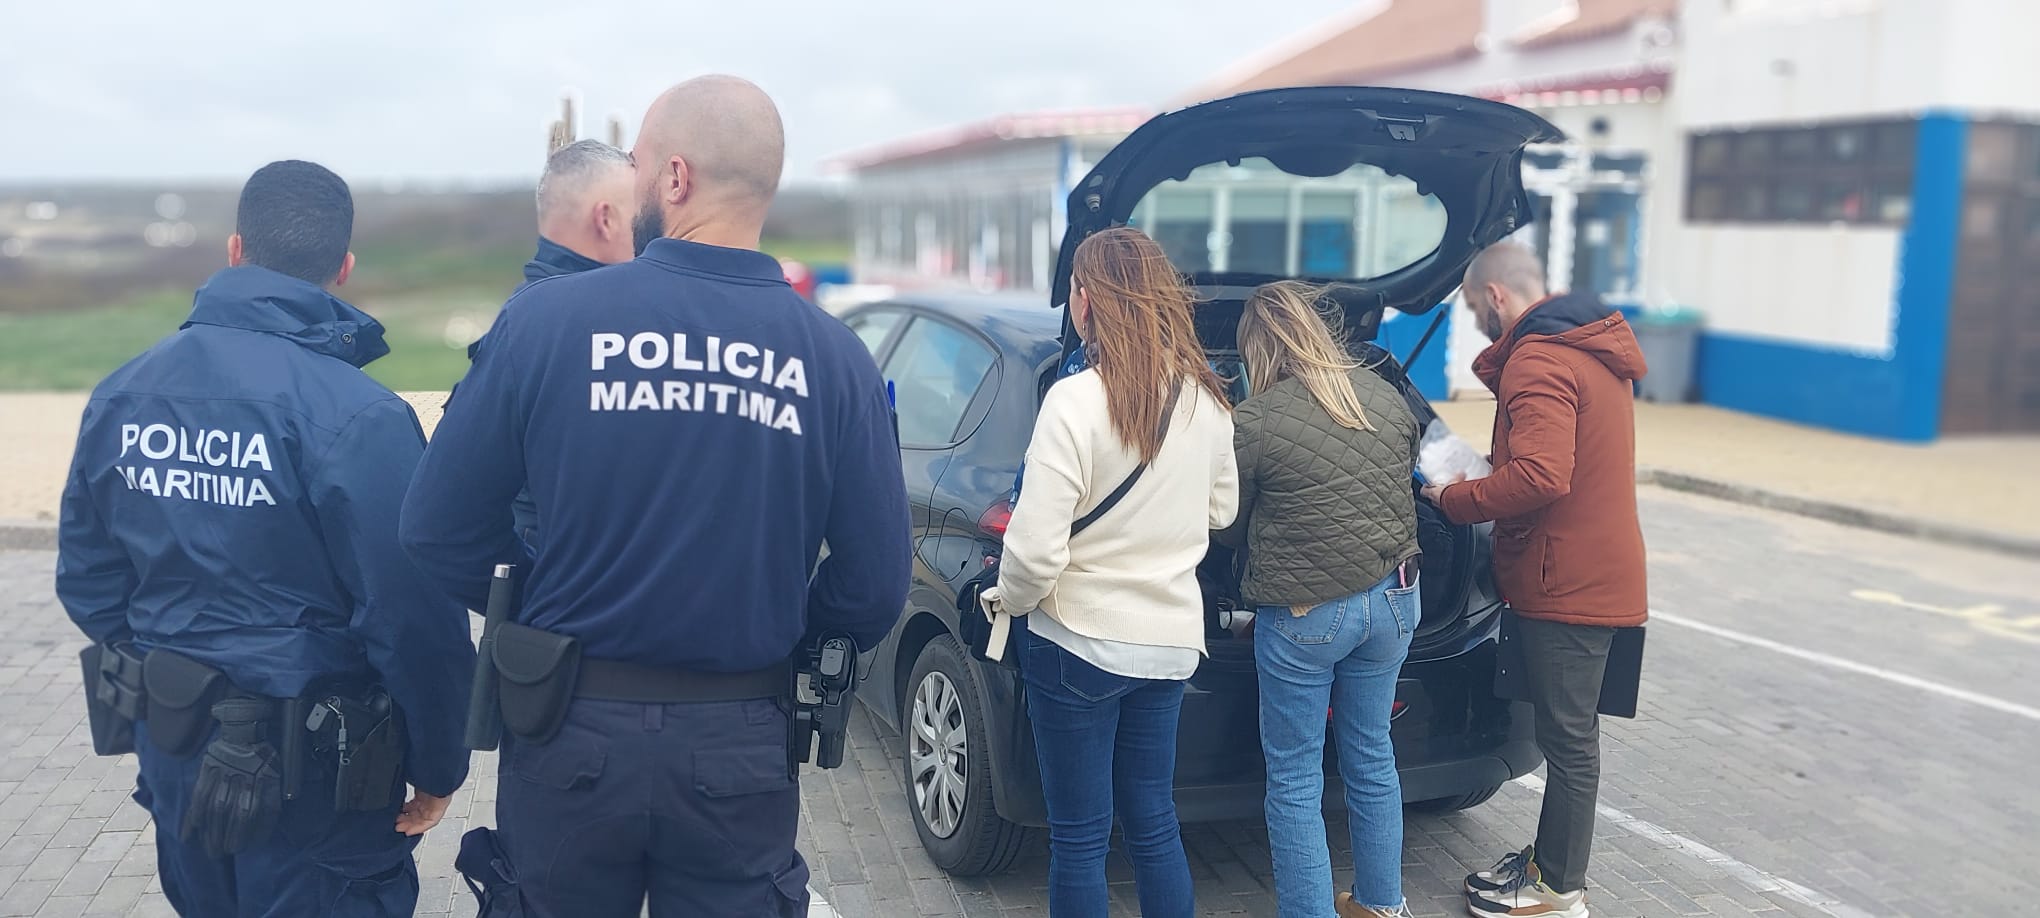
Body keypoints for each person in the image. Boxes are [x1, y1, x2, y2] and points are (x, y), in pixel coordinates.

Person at [398, 75, 911, 918]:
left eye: (636, 163)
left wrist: (540, 600)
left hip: (568, 728)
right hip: (740, 742)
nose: (631, 182)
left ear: (675, 178)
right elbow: (876, 583)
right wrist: (787, 629)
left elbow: (435, 526)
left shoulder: (545, 322)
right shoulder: (836, 359)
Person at [54, 160, 475, 916]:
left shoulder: (123, 393)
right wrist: (440, 762)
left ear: (235, 249)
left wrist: (180, 667)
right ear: (342, 269)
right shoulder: (360, 416)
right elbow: (412, 619)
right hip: (322, 778)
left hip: (179, 747)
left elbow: (88, 581)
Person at [980, 225, 1238, 918]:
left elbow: (1035, 552)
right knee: (1154, 822)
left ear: (1086, 300)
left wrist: (1010, 600)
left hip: (1077, 643)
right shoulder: (1207, 400)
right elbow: (1221, 511)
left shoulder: (1073, 401)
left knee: (1080, 837)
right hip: (1168, 642)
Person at [1420, 242, 1648, 918]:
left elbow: (1543, 475)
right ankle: (1550, 864)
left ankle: (1558, 888)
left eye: (1473, 308)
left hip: (1566, 582)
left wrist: (1454, 499)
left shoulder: (1539, 358)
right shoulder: (1586, 350)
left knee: (1569, 742)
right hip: (1594, 569)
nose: (1477, 323)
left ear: (1495, 296)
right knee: (1569, 735)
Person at [1217, 282, 1422, 918]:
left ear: (1256, 348)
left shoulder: (1254, 420)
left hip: (1308, 615)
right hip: (1394, 600)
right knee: (1372, 756)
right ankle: (1383, 906)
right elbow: (1404, 477)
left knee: (1295, 777)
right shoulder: (1385, 396)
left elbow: (1226, 526)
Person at [461, 138, 637, 548]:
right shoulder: (579, 326)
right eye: (641, 215)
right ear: (607, 220)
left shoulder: (522, 324)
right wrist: (531, 576)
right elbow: (441, 520)